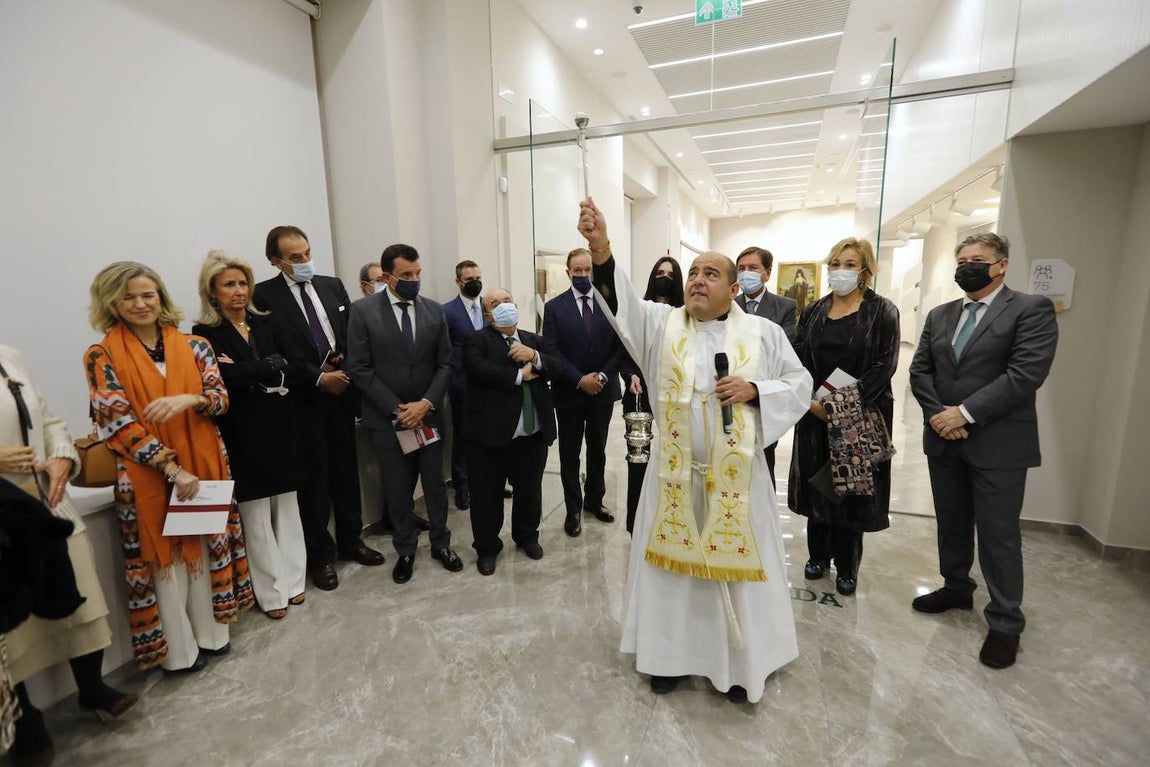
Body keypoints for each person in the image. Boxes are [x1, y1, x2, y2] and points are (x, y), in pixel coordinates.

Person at [578, 198, 812, 705]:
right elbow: (619, 303)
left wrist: (755, 390)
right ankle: (668, 657)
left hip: (738, 479)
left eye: (711, 273)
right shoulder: (662, 326)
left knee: (737, 570)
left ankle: (739, 662)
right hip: (674, 477)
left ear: (734, 289)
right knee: (672, 572)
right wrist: (600, 246)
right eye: (694, 272)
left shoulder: (765, 333)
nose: (698, 280)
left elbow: (799, 383)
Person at [83, 262, 254, 673]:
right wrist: (173, 470)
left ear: (161, 297)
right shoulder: (101, 354)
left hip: (205, 461)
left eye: (148, 294)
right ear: (111, 303)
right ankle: (179, 653)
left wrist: (189, 400)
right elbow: (118, 423)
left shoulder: (195, 345)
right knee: (166, 565)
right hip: (148, 476)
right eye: (128, 297)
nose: (140, 303)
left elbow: (219, 398)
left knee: (204, 550)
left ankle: (214, 636)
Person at [909, 232, 1058, 670]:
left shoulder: (1030, 310)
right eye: (960, 260)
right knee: (951, 522)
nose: (965, 266)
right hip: (944, 439)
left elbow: (1024, 374)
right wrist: (940, 415)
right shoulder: (940, 315)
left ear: (1002, 264)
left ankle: (1006, 621)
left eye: (976, 259)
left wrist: (965, 414)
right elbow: (921, 370)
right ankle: (956, 587)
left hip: (998, 444)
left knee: (998, 535)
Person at [1, 345, 138, 766]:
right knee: (10, 625)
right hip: (3, 516)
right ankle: (27, 723)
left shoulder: (9, 356)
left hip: (45, 500)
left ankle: (92, 688)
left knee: (83, 598)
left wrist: (62, 457)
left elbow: (48, 420)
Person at [253, 226, 384, 592]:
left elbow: (350, 331)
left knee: (346, 472)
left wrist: (343, 359)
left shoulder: (332, 285)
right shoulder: (264, 296)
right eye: (296, 258)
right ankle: (321, 556)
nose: (305, 262)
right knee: (315, 481)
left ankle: (351, 541)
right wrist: (315, 377)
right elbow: (271, 351)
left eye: (308, 253)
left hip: (341, 394)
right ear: (275, 261)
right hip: (302, 400)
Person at [192, 251, 308, 619]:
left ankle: (295, 583)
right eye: (229, 284)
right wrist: (266, 366)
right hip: (243, 429)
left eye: (243, 283)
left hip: (284, 421)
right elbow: (223, 379)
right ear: (212, 292)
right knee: (256, 514)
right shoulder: (204, 333)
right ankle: (272, 594)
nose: (238, 291)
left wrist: (251, 369)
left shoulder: (266, 324)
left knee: (288, 506)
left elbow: (293, 364)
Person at [787, 238, 900, 597]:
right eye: (835, 262)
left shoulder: (882, 311)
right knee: (816, 482)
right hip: (812, 410)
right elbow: (798, 357)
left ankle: (847, 564)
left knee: (850, 488)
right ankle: (817, 555)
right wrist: (809, 399)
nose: (841, 270)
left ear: (864, 269)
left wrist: (835, 406)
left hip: (857, 414)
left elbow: (884, 365)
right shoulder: (815, 309)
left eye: (849, 264)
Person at [346, 243, 464, 584]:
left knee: (435, 487)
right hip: (388, 420)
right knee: (398, 489)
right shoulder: (363, 311)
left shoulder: (433, 311)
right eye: (406, 275)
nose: (414, 280)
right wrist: (398, 409)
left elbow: (445, 362)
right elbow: (359, 367)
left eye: (418, 273)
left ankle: (442, 544)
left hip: (428, 416)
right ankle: (406, 549)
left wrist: (426, 404)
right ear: (386, 277)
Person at [461, 289, 559, 575]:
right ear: (487, 314)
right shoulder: (476, 340)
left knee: (530, 492)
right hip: (488, 438)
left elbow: (558, 366)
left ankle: (527, 536)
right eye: (495, 304)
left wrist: (536, 358)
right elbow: (477, 369)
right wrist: (519, 376)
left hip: (531, 436)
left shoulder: (533, 340)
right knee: (486, 496)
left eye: (507, 302)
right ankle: (488, 547)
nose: (503, 307)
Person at [542, 247, 626, 537]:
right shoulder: (554, 308)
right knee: (570, 454)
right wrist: (580, 380)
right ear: (568, 272)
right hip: (570, 392)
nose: (582, 275)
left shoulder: (608, 304)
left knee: (598, 450)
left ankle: (595, 501)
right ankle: (573, 510)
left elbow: (620, 346)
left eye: (586, 270)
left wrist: (602, 376)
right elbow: (552, 351)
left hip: (602, 390)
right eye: (576, 270)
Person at [619, 257, 684, 534]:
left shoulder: (686, 314)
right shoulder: (638, 310)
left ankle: (671, 520)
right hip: (639, 393)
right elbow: (625, 347)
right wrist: (631, 374)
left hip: (676, 396)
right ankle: (636, 523)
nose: (664, 277)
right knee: (639, 460)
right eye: (659, 272)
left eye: (670, 274)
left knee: (674, 459)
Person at [735, 246, 799, 486]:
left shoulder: (785, 306)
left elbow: (786, 349)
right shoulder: (728, 305)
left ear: (767, 273)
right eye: (741, 269)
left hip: (763, 393)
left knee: (763, 464)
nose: (745, 273)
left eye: (753, 268)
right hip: (732, 392)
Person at [442, 260, 484, 511]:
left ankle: (491, 480)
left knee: (490, 433)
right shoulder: (447, 311)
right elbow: (445, 352)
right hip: (462, 385)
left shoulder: (490, 307)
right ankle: (462, 485)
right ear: (458, 281)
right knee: (463, 436)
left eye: (478, 277)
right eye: (469, 279)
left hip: (490, 385)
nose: (475, 283)